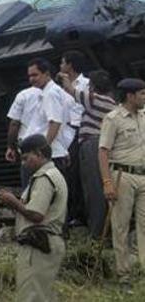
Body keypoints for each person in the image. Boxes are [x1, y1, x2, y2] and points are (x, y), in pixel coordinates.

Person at [0, 134, 68, 302]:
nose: (24, 163)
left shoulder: (45, 177)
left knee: (31, 296)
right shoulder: (54, 174)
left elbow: (36, 214)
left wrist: (13, 202)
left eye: (26, 158)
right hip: (47, 243)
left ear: (39, 153)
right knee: (43, 295)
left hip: (38, 245)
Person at [98, 78, 145, 288]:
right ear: (130, 96)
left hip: (143, 174)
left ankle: (142, 271)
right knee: (121, 226)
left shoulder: (144, 116)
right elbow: (103, 152)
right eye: (142, 94)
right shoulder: (113, 118)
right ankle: (124, 274)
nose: (144, 97)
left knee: (144, 226)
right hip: (121, 176)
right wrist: (107, 182)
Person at [59, 70, 116, 237]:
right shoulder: (112, 102)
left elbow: (72, 91)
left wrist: (64, 78)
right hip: (102, 145)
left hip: (92, 145)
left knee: (93, 189)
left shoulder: (95, 99)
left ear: (94, 86)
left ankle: (97, 233)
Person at [25, 58, 75, 186]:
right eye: (30, 76)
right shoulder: (49, 92)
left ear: (46, 74)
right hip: (53, 153)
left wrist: (43, 150)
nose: (32, 79)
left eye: (35, 75)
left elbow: (55, 123)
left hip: (50, 156)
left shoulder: (51, 93)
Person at [58, 50, 89, 226]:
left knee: (76, 173)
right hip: (62, 131)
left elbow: (83, 104)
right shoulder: (60, 86)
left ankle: (79, 213)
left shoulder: (86, 84)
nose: (61, 66)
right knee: (64, 173)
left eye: (63, 62)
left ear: (70, 65)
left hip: (78, 129)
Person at [6, 84, 43, 187]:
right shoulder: (58, 93)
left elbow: (14, 123)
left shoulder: (23, 95)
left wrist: (10, 147)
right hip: (51, 150)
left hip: (29, 149)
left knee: (30, 190)